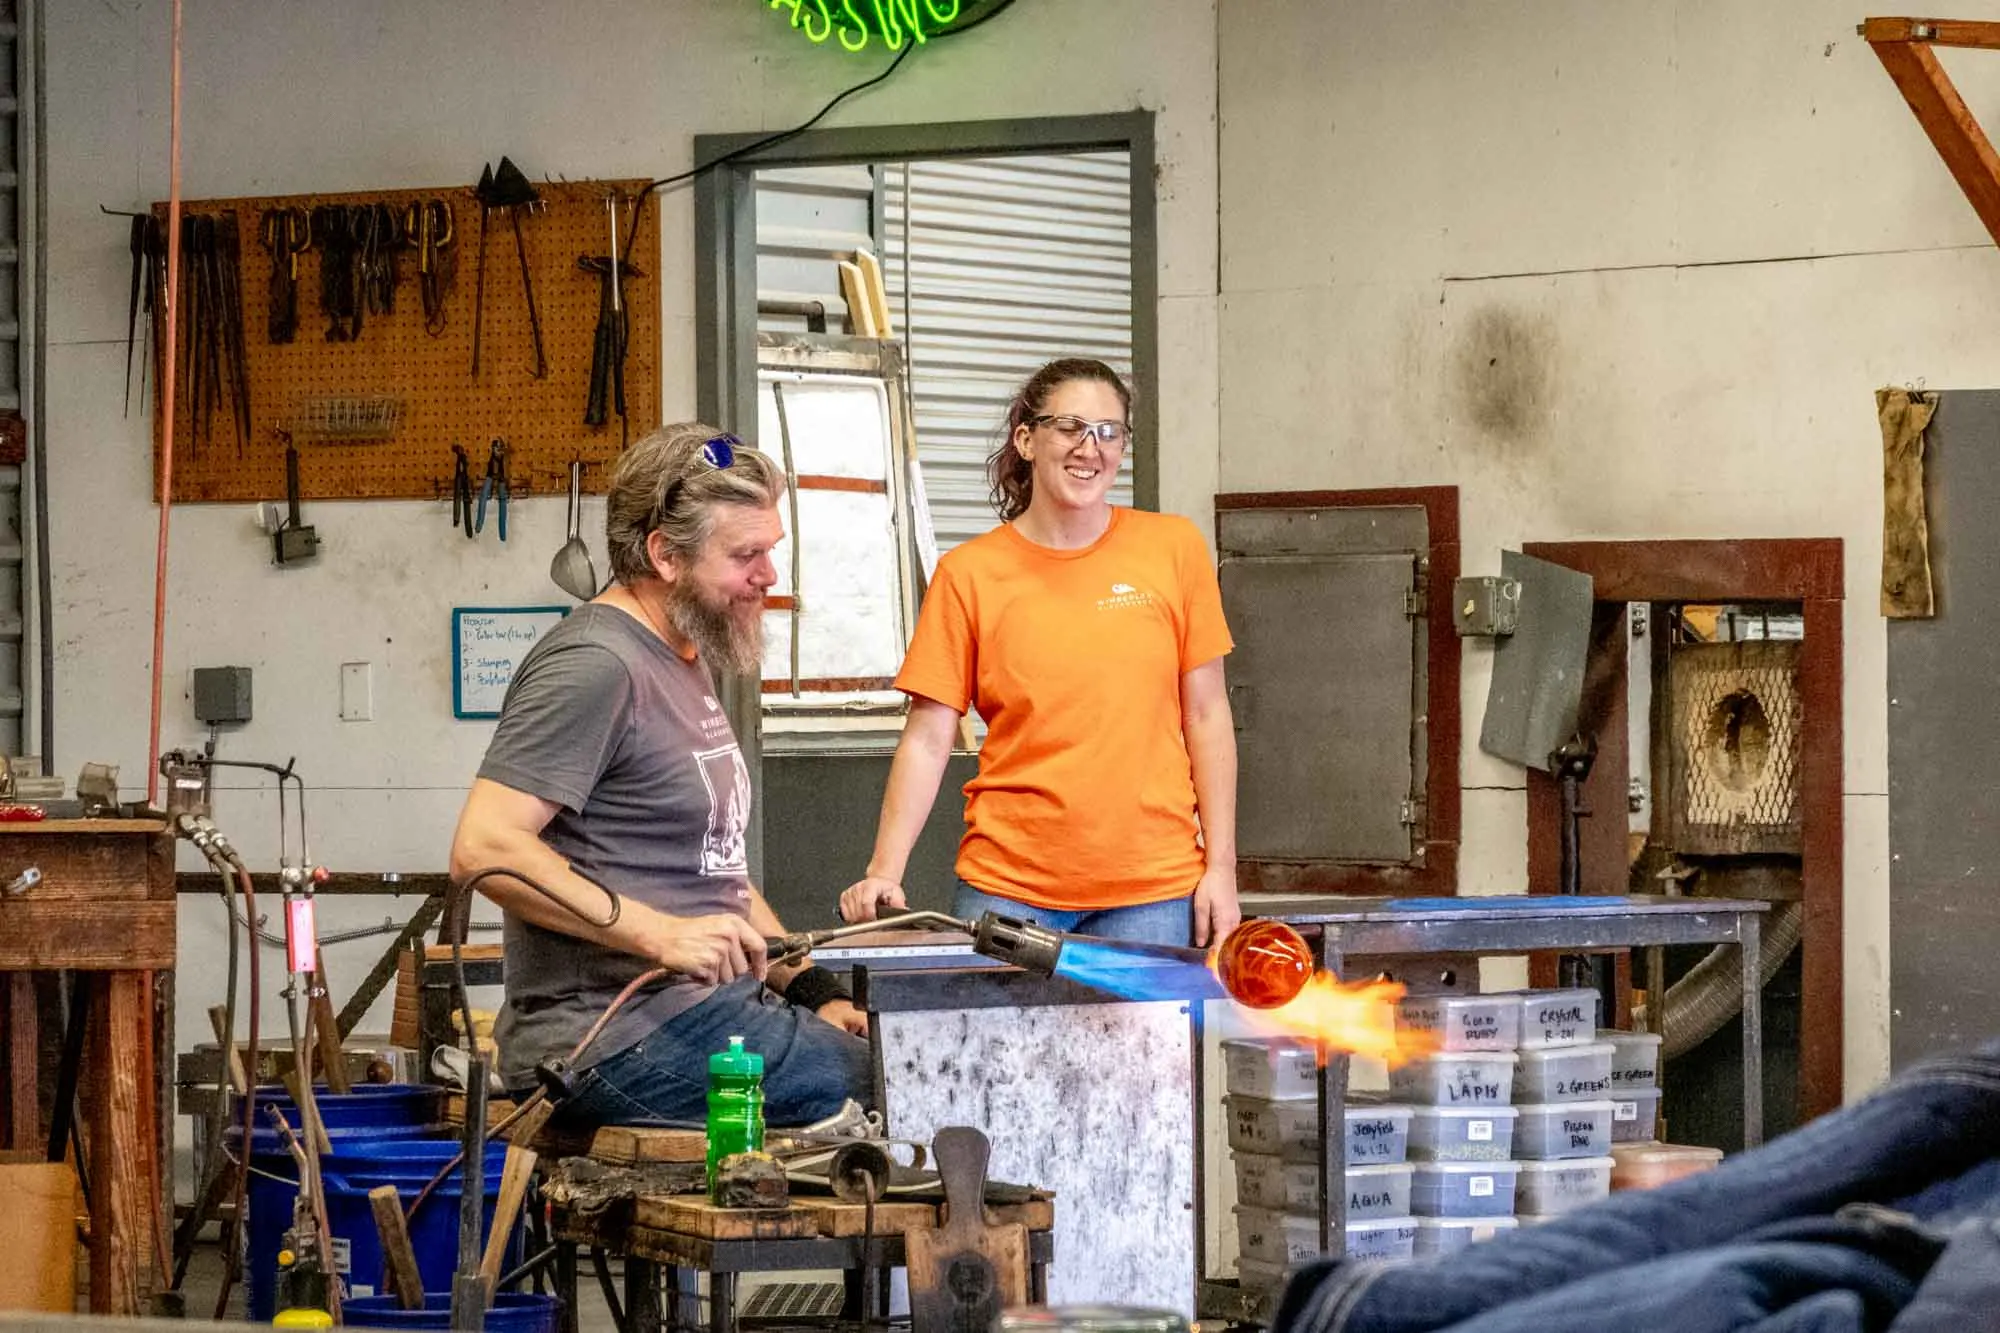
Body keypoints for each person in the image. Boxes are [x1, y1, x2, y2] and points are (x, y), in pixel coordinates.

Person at [449, 423, 872, 1128]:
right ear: (664, 554)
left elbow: (712, 871)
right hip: (608, 1039)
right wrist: (660, 936)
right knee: (902, 1087)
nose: (768, 575)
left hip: (709, 1009)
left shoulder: (681, 647)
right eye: (747, 555)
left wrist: (808, 985)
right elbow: (484, 849)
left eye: (772, 550)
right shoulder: (596, 663)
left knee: (905, 1056)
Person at [839, 357, 1240, 948]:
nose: (1090, 448)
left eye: (1109, 432)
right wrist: (884, 869)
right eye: (1070, 427)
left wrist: (1222, 869)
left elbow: (1206, 715)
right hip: (1008, 886)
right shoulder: (969, 574)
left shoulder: (1172, 548)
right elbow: (928, 736)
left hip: (1153, 887)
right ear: (1026, 440)